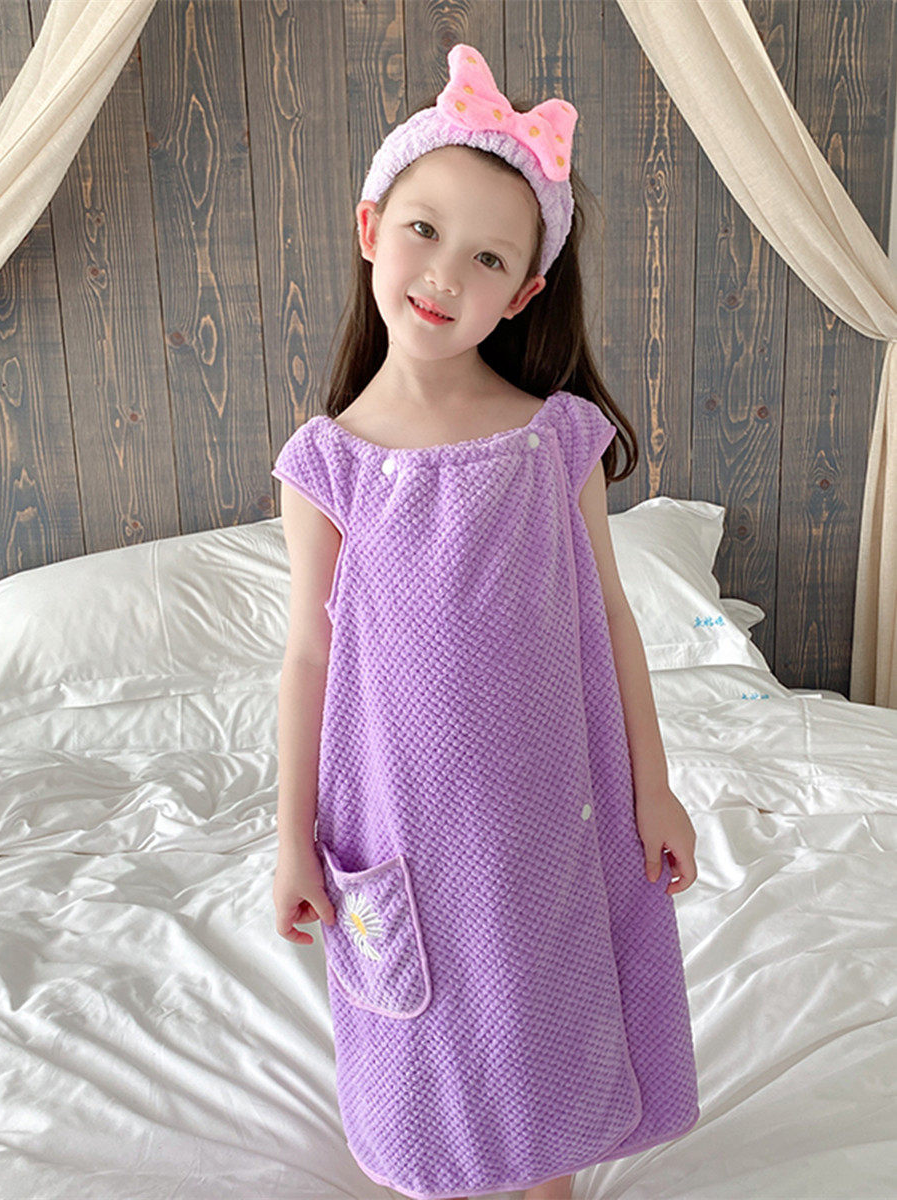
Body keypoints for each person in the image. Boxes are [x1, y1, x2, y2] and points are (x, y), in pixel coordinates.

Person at [270, 42, 699, 1200]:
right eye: (424, 230)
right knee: (426, 1019)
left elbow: (612, 617)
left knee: (546, 1001)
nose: (444, 274)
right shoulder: (326, 466)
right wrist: (291, 835)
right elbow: (308, 654)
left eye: (488, 257)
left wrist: (654, 787)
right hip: (399, 813)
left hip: (548, 801)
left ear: (522, 295)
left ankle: (548, 1173)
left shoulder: (554, 440)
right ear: (371, 228)